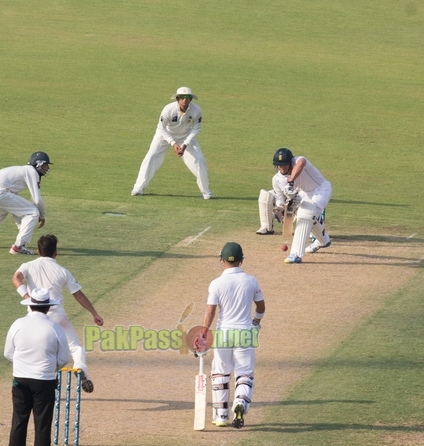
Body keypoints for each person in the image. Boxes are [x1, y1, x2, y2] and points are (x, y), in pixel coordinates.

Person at [12, 234, 103, 392]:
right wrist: (94, 313)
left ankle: (42, 380)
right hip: (58, 316)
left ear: (38, 250)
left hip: (34, 317)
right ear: (56, 252)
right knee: (75, 347)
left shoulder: (28, 265)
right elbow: (78, 295)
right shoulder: (62, 271)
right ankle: (80, 368)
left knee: (38, 350)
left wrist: (27, 297)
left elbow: (16, 278)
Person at [195, 242, 265, 428]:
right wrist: (256, 323)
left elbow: (210, 312)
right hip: (245, 332)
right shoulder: (251, 281)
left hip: (223, 333)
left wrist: (203, 334)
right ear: (241, 260)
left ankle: (220, 416)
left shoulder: (216, 283)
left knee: (220, 374)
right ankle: (241, 401)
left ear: (222, 259)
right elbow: (261, 307)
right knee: (244, 374)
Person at [4, 287, 70, 446]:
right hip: (44, 380)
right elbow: (64, 357)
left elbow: (8, 353)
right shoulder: (54, 328)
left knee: (19, 420)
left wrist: (24, 365)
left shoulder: (18, 324)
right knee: (42, 424)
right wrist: (49, 368)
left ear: (31, 305)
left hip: (21, 379)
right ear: (48, 307)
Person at [131, 87, 212, 199]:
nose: (185, 100)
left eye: (187, 97)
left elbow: (196, 129)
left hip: (185, 137)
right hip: (165, 135)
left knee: (199, 159)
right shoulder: (168, 110)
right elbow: (161, 128)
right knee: (151, 156)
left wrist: (185, 144)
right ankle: (138, 188)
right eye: (182, 98)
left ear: (191, 99)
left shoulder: (196, 110)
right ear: (177, 99)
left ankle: (206, 192)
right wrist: (173, 143)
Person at [256, 148, 332, 264]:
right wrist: (281, 210)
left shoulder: (299, 161)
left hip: (321, 189)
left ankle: (296, 254)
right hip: (304, 193)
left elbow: (301, 163)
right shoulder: (276, 179)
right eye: (279, 166)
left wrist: (291, 181)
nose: (282, 168)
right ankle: (323, 240)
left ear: (291, 162)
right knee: (310, 216)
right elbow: (281, 201)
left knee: (305, 215)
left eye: (285, 165)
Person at [0, 151, 52, 255]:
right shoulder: (31, 172)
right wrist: (41, 215)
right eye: (45, 165)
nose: (47, 168)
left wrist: (21, 226)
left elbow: (15, 207)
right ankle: (18, 246)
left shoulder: (19, 172)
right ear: (38, 164)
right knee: (33, 212)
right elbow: (37, 199)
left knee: (2, 210)